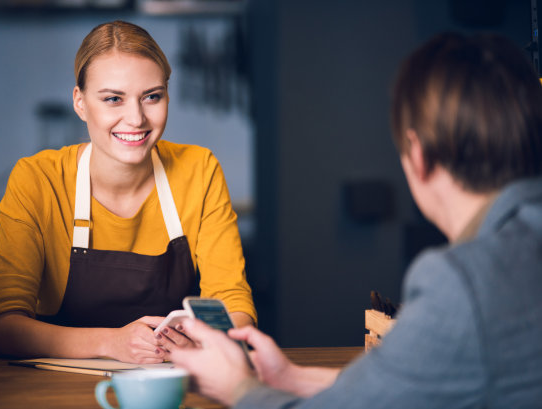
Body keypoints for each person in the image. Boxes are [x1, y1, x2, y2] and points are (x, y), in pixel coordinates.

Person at [170, 32, 542, 408]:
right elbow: (406, 385)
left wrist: (238, 387)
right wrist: (292, 377)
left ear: (419, 156)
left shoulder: (462, 282)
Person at [0, 20, 256, 364]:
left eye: (152, 97)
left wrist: (209, 343)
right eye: (113, 99)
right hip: (54, 390)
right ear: (80, 103)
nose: (136, 118)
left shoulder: (199, 170)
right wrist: (112, 343)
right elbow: (4, 329)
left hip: (167, 384)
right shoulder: (38, 180)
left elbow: (234, 306)